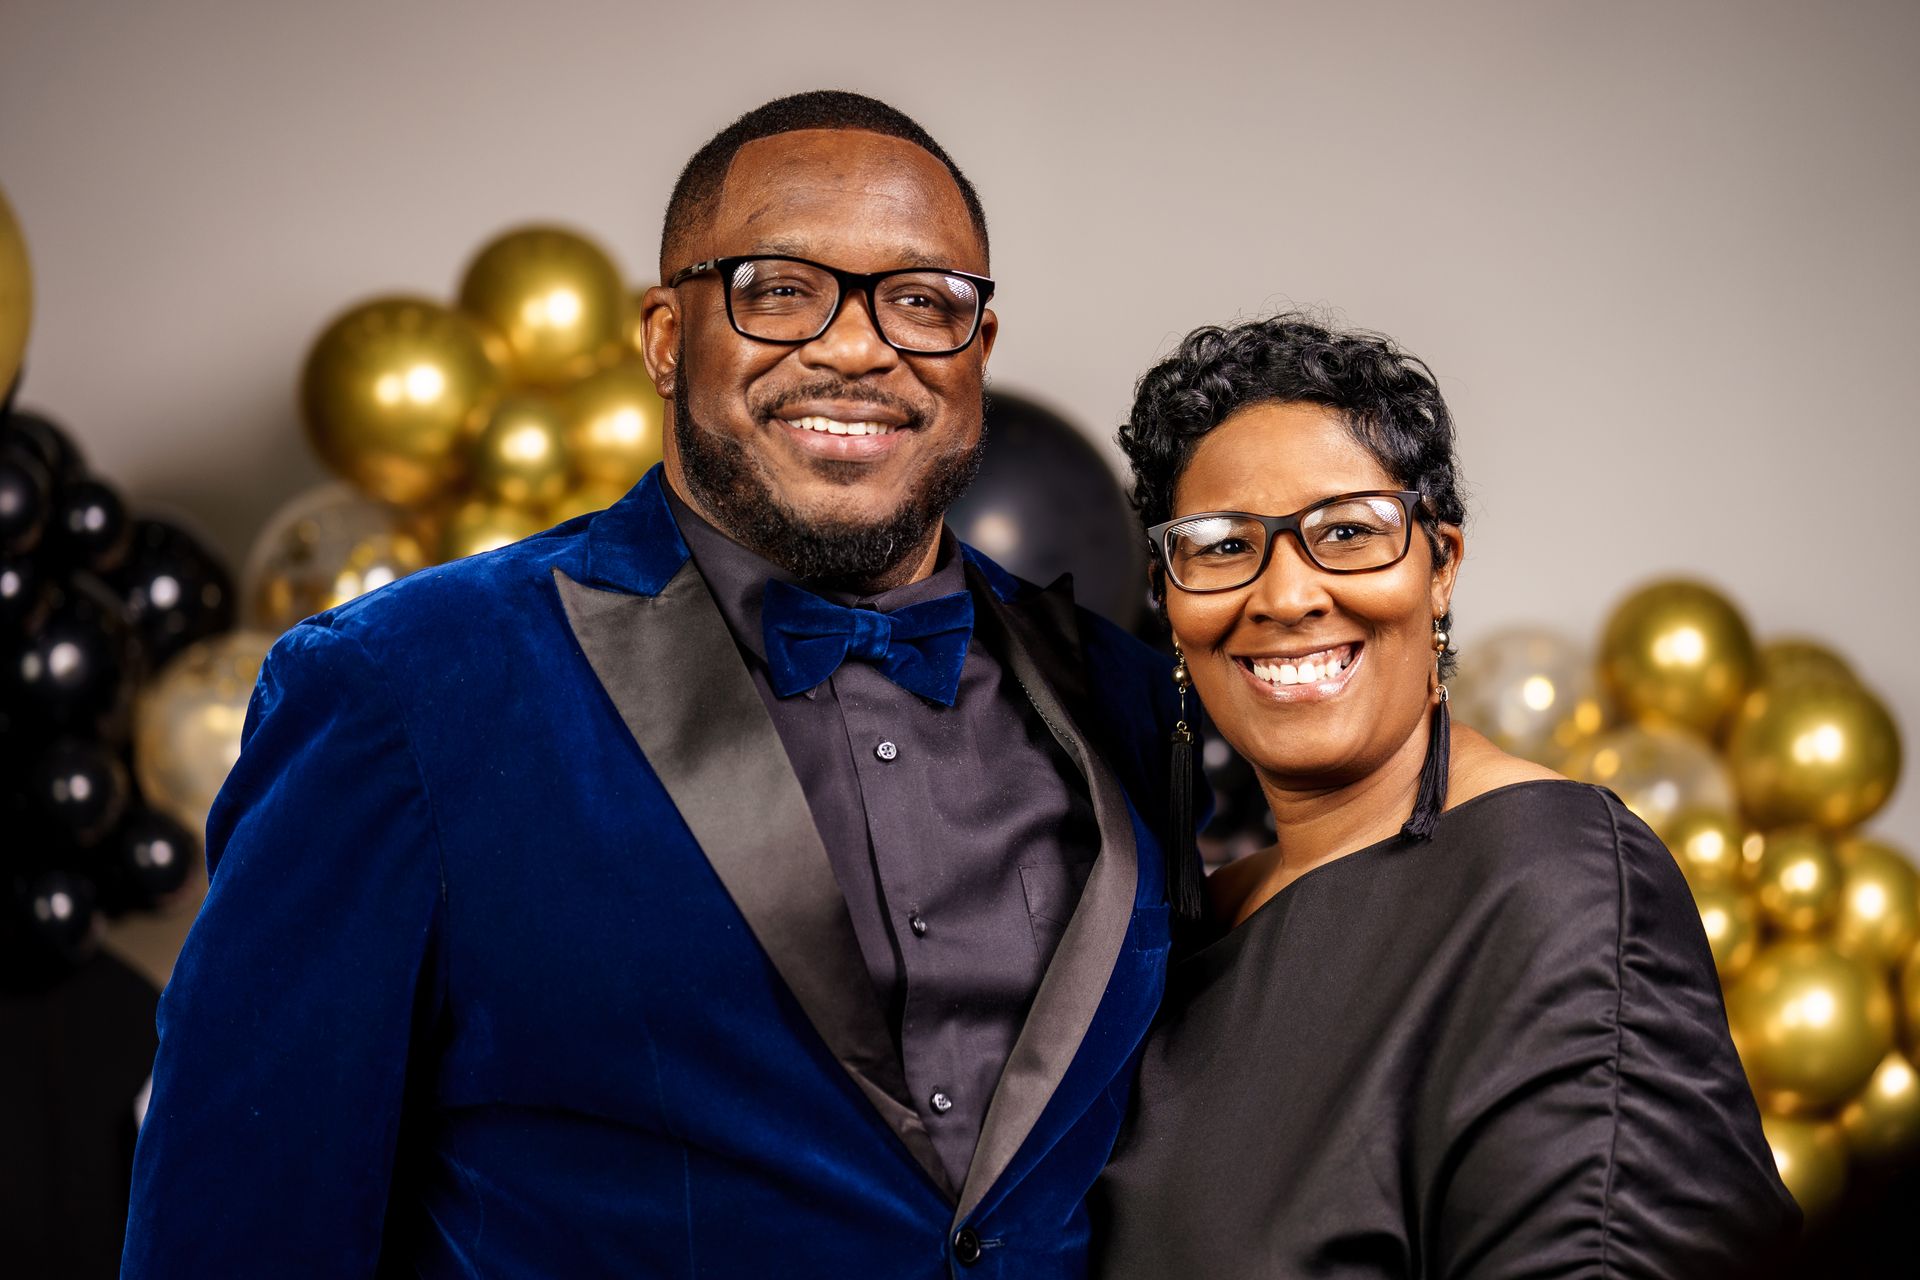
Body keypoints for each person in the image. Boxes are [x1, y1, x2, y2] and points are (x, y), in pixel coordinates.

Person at [123, 91, 1196, 1278]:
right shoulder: (403, 690)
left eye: (921, 300)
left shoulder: (1127, 699)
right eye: (781, 289)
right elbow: (235, 1239)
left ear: (976, 351)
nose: (856, 346)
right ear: (665, 336)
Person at [1091, 315, 1800, 1277]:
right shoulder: (1177, 929)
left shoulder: (1552, 883)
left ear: (1441, 567)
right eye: (1220, 546)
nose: (1286, 595)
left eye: (1348, 532)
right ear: (1168, 598)